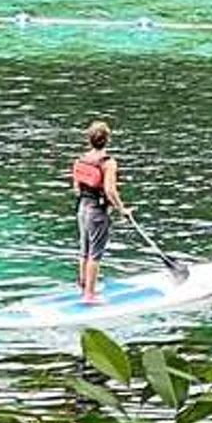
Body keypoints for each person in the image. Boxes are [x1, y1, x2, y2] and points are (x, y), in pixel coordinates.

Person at [71, 120, 126, 304]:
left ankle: (83, 285)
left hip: (82, 208)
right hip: (97, 212)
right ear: (107, 139)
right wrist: (121, 209)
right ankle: (90, 295)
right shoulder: (108, 163)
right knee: (95, 253)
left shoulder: (80, 160)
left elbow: (76, 188)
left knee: (84, 250)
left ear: (89, 139)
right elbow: (110, 190)